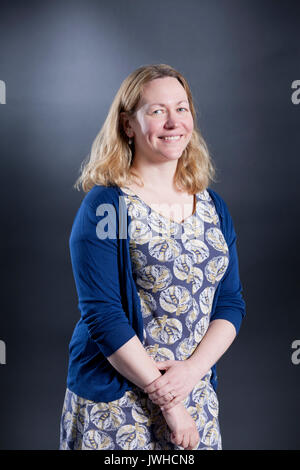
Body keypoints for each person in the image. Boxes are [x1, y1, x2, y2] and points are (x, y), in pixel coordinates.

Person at [59, 64, 246, 451]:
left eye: (181, 108)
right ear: (128, 125)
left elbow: (230, 303)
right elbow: (103, 314)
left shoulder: (213, 207)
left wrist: (191, 375)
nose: (173, 121)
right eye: (157, 111)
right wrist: (170, 403)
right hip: (118, 403)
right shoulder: (106, 205)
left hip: (193, 394)